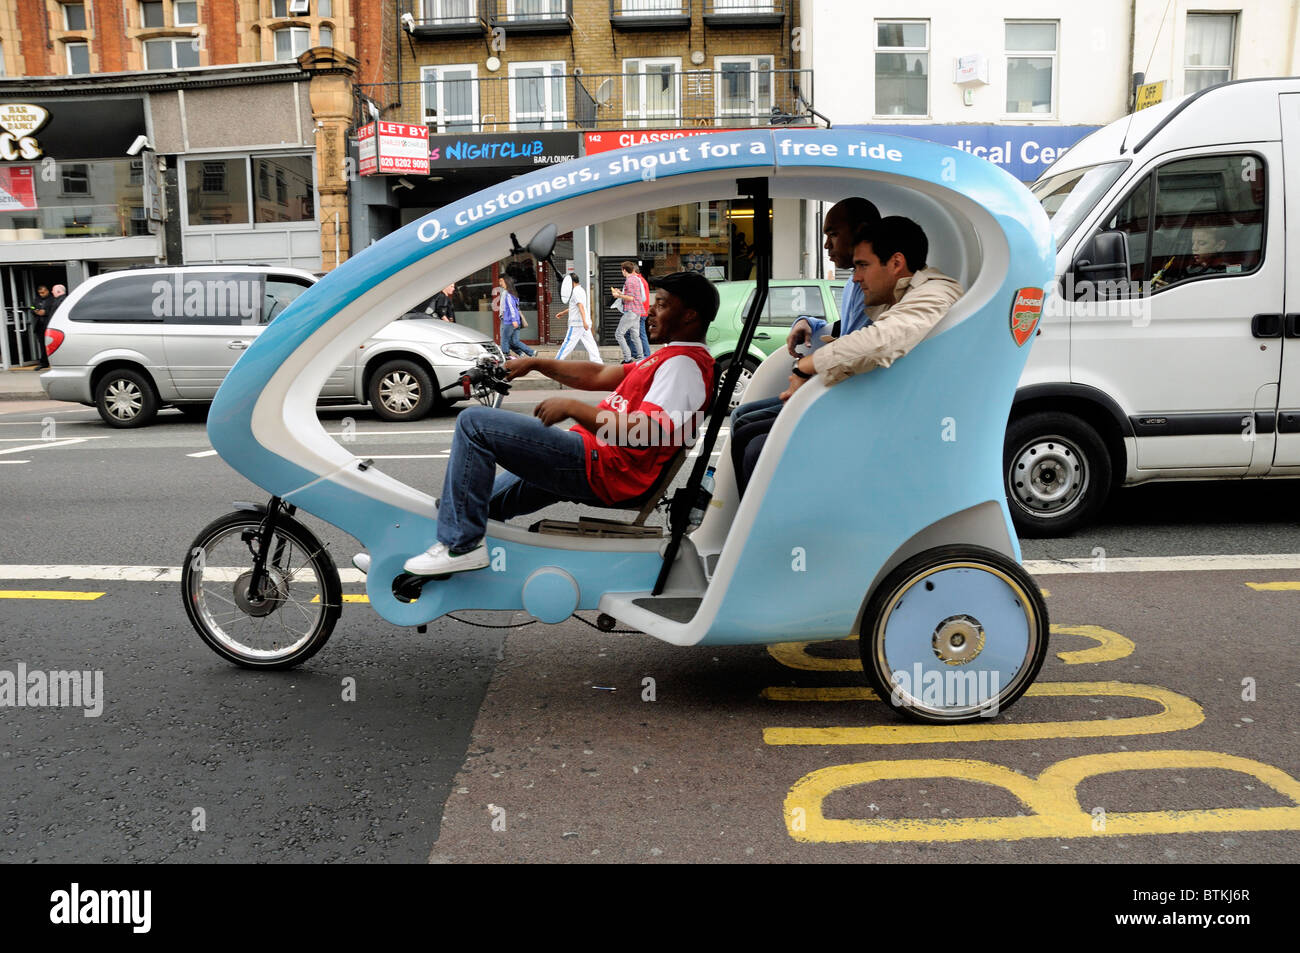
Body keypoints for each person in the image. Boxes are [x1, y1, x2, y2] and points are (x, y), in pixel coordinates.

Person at [379, 272, 717, 577]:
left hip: (604, 469)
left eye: (661, 305)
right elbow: (599, 373)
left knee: (474, 424)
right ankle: (411, 564)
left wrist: (575, 409)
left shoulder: (684, 366)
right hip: (594, 460)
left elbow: (647, 433)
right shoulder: (669, 357)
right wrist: (537, 363)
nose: (650, 311)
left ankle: (462, 547)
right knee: (476, 503)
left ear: (689, 315)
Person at [734, 215, 965, 497]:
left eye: (862, 266)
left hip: (898, 423)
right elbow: (849, 333)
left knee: (758, 447)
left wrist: (804, 368)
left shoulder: (935, 292)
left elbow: (881, 340)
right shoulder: (894, 295)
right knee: (747, 429)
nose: (855, 277)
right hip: (876, 405)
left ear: (895, 263)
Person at [728, 196, 880, 488]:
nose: (826, 245)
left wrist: (804, 371)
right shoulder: (854, 283)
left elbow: (858, 348)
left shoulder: (870, 288)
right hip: (836, 388)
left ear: (862, 230)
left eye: (833, 234)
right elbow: (841, 331)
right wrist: (807, 322)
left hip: (847, 397)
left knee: (751, 436)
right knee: (741, 417)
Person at [555, 274, 602, 363]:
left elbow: (580, 307)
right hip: (583, 323)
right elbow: (576, 307)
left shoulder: (576, 292)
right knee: (590, 344)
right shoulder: (580, 290)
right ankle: (598, 363)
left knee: (567, 343)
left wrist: (584, 321)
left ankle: (556, 362)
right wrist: (563, 313)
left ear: (571, 282)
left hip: (577, 323)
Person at [610, 260, 647, 363]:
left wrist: (618, 295)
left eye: (622, 270)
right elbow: (634, 296)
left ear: (624, 270)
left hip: (631, 311)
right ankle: (641, 358)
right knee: (635, 336)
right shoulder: (636, 279)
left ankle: (628, 358)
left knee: (619, 334)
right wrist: (621, 292)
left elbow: (630, 298)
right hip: (638, 311)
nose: (622, 272)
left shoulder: (629, 281)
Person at [497, 276, 535, 357]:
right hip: (515, 319)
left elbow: (511, 307)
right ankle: (530, 353)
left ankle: (506, 355)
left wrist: (513, 319)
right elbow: (516, 307)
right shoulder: (514, 293)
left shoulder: (506, 293)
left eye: (501, 281)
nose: (500, 283)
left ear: (507, 282)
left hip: (508, 319)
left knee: (504, 339)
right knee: (514, 341)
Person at [30, 284, 54, 369]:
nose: (41, 294)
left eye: (43, 292)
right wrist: (35, 310)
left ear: (47, 291)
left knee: (51, 344)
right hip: (39, 325)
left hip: (49, 325)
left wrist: (45, 312)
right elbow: (32, 306)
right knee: (42, 345)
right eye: (40, 293)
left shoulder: (53, 299)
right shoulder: (37, 299)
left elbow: (54, 309)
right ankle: (44, 362)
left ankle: (53, 361)